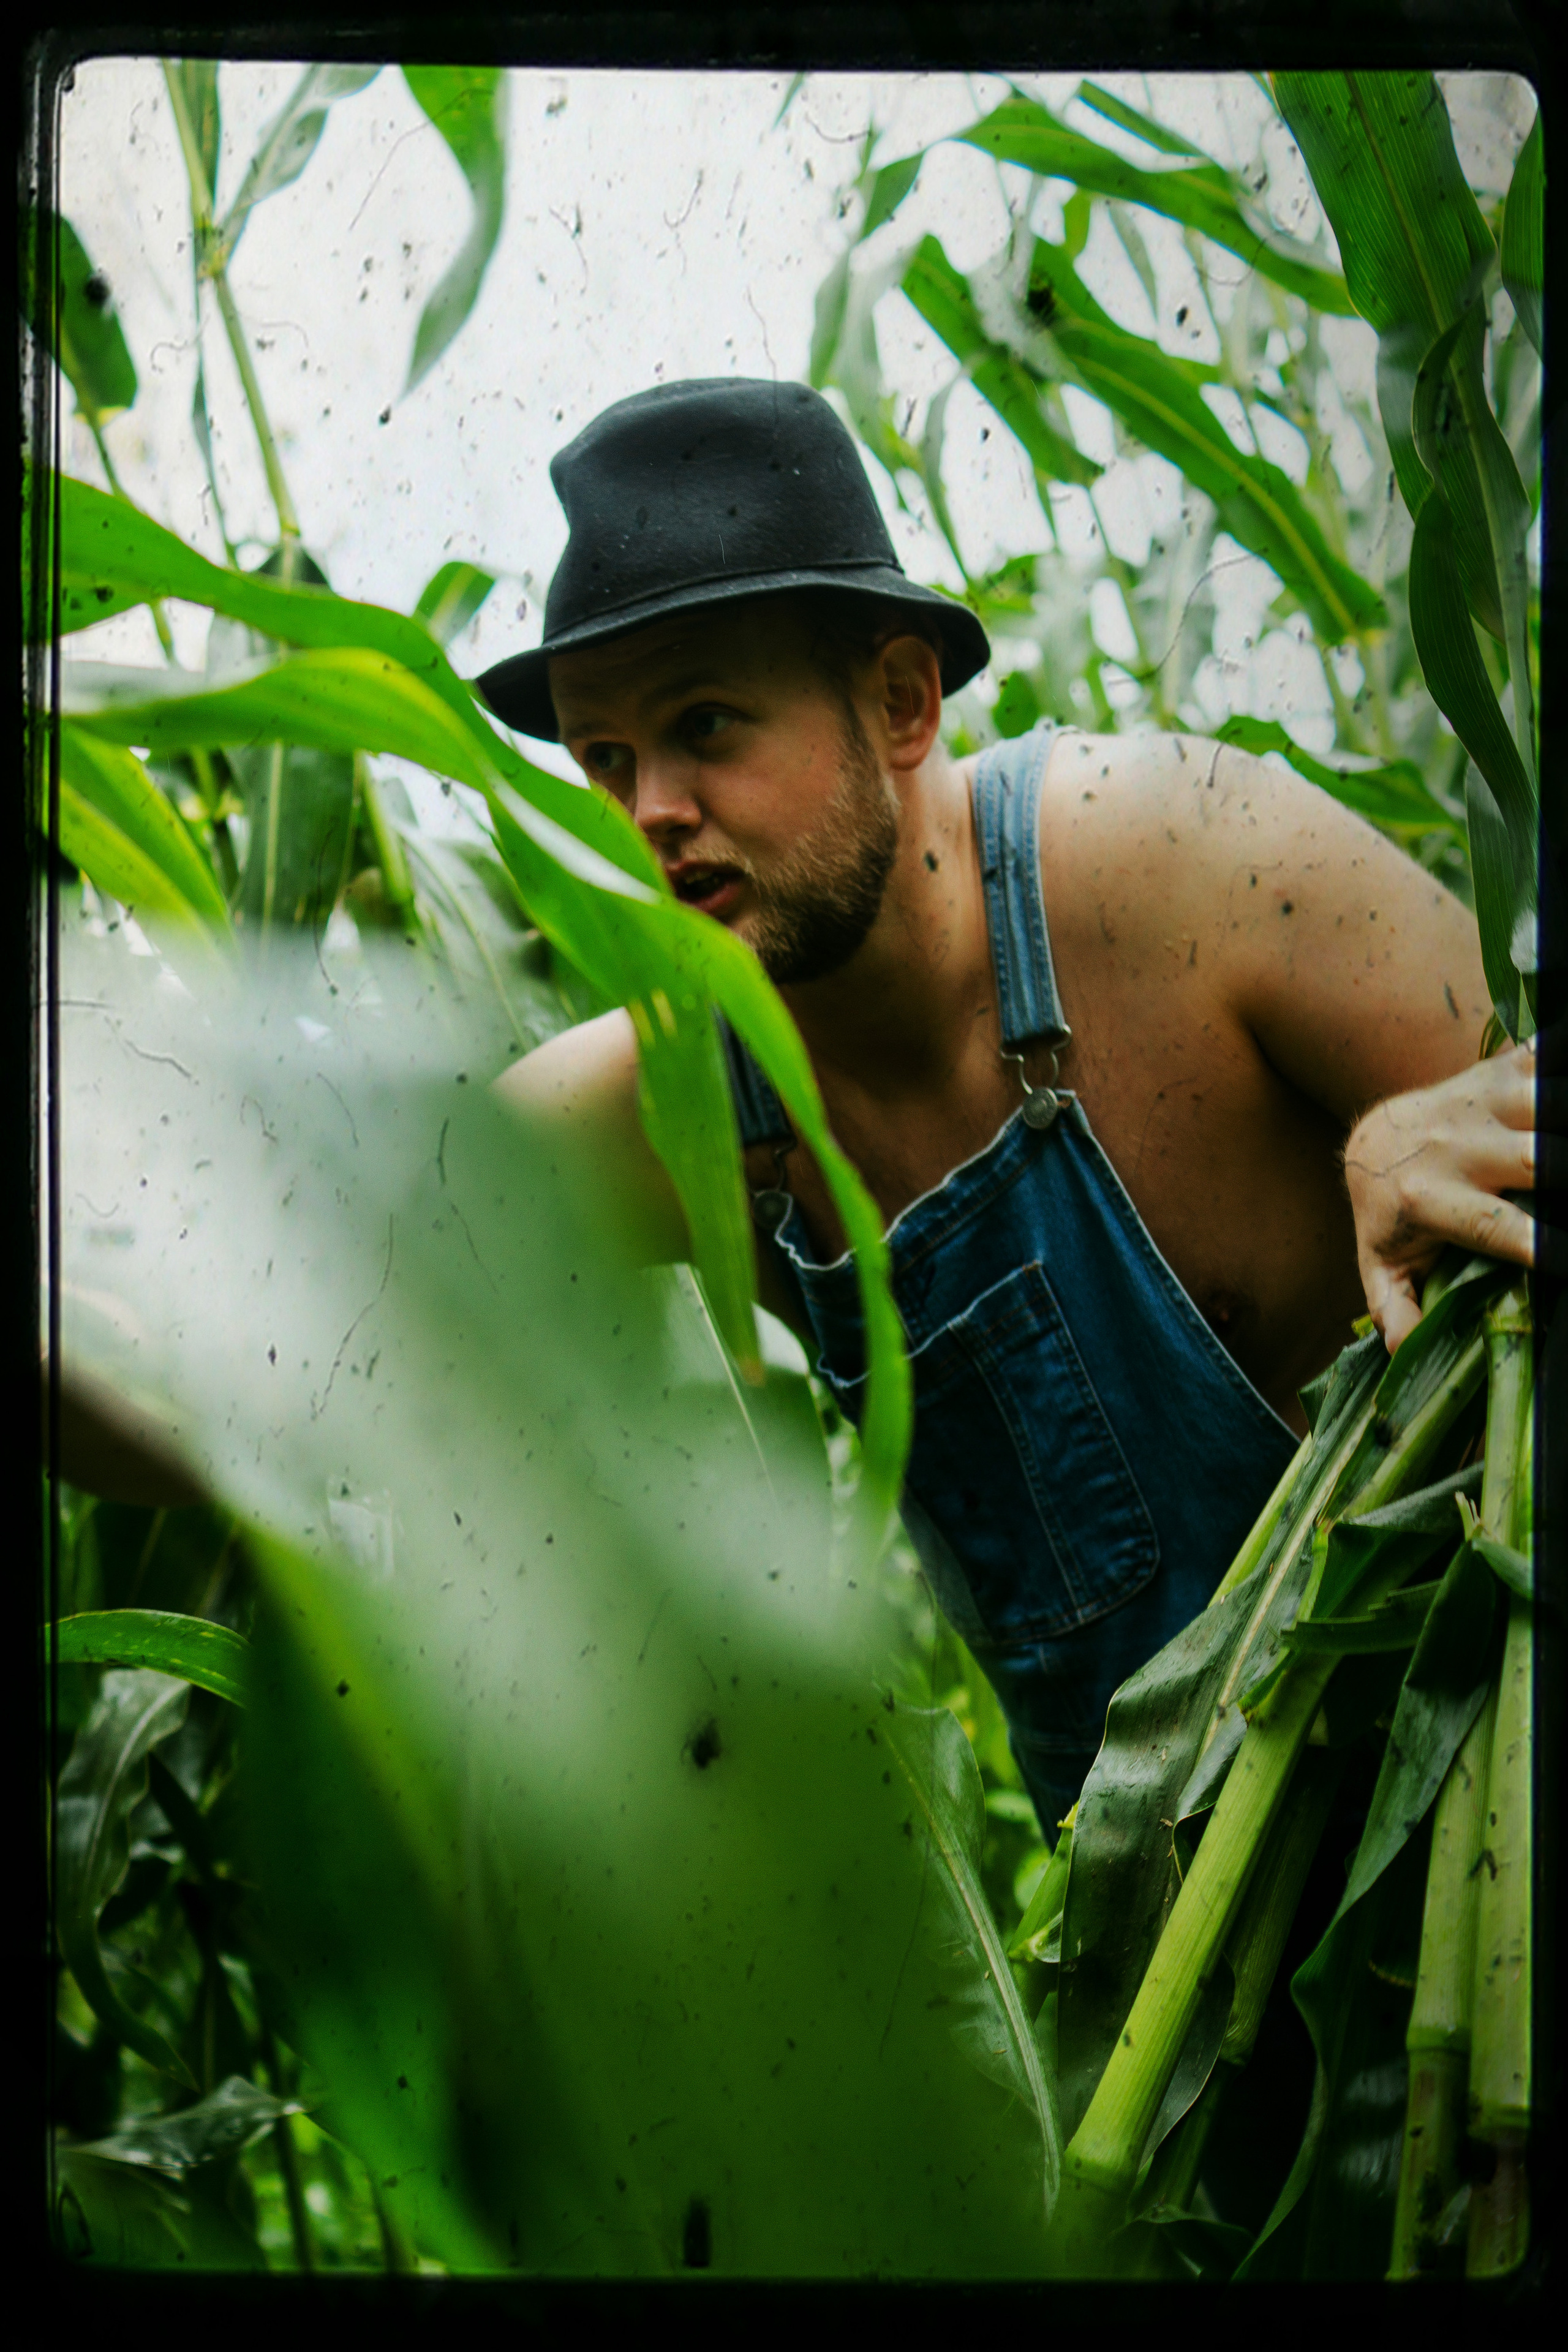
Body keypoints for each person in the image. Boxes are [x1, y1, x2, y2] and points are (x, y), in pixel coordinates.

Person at [478, 376, 1550, 1828]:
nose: (649, 809)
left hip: (1470, 1816)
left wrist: (1420, 1120)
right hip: (1155, 1970)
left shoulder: (1175, 858)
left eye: (707, 725)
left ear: (902, 700)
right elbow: (278, 1332)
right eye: (606, 760)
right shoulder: (676, 1096)